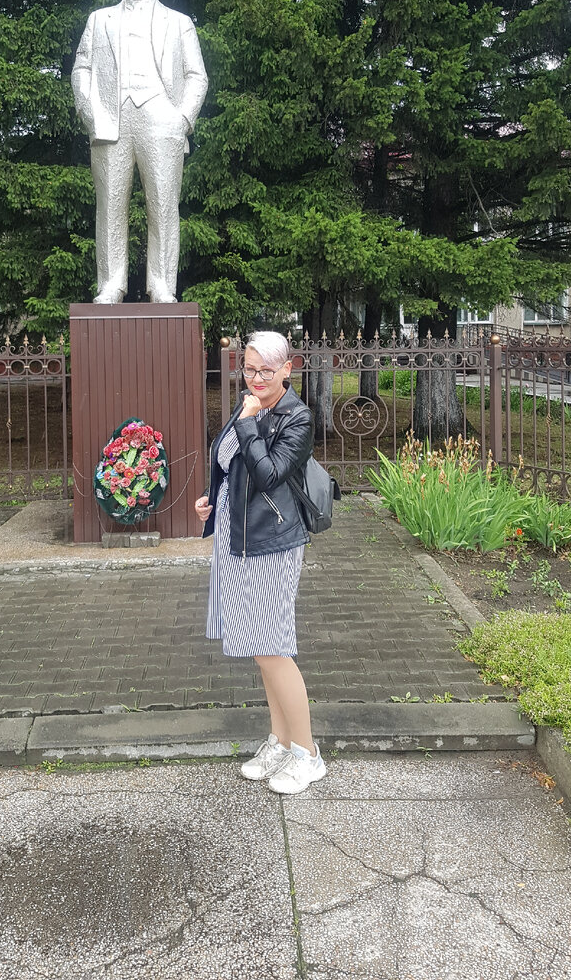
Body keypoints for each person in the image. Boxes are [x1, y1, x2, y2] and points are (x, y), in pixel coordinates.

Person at [194, 330, 327, 795]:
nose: (255, 379)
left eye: (265, 372)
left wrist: (250, 422)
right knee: (259, 645)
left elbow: (269, 474)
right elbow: (229, 463)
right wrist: (212, 500)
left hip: (272, 542)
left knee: (273, 646)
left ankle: (308, 755)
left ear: (288, 369)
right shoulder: (250, 403)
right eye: (249, 370)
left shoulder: (296, 417)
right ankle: (280, 740)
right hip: (238, 536)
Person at [71, 0, 208, 304]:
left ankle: (161, 284)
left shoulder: (179, 24)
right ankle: (111, 284)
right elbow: (81, 69)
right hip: (110, 123)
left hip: (161, 119)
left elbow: (197, 76)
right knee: (110, 205)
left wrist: (181, 120)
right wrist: (91, 114)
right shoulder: (99, 20)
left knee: (163, 204)